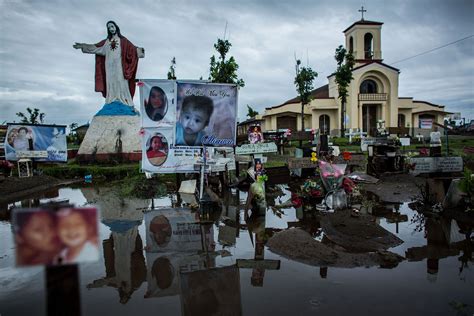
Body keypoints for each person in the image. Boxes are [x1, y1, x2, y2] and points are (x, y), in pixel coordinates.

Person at [73, 21, 144, 106]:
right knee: (110, 82)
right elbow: (95, 48)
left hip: (120, 66)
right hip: (109, 66)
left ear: (116, 27)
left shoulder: (123, 40)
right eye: (109, 27)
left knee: (120, 81)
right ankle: (111, 100)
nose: (111, 29)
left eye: (112, 26)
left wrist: (140, 50)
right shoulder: (106, 42)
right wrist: (83, 46)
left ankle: (123, 100)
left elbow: (132, 49)